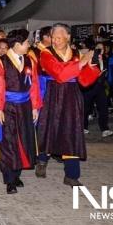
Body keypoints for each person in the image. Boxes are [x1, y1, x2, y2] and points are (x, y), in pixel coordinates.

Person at [35, 23, 100, 187]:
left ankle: (71, 175)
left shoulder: (77, 54)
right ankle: (42, 160)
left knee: (72, 132)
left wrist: (92, 65)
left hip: (71, 95)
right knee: (48, 128)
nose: (55, 41)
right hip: (52, 94)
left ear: (68, 37)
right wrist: (80, 64)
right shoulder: (45, 53)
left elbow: (84, 81)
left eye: (59, 37)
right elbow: (59, 74)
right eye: (53, 37)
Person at [0, 29, 41, 194]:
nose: (29, 45)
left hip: (25, 106)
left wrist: (35, 106)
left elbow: (34, 85)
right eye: (27, 42)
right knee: (9, 142)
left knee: (24, 139)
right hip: (8, 107)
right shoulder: (1, 62)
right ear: (18, 44)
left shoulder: (30, 61)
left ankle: (17, 172)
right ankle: (9, 179)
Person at [80, 40, 113, 137]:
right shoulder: (89, 58)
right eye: (97, 48)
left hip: (100, 87)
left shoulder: (105, 59)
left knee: (103, 108)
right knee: (85, 108)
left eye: (101, 48)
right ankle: (83, 127)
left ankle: (105, 128)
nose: (99, 50)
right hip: (89, 87)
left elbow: (105, 73)